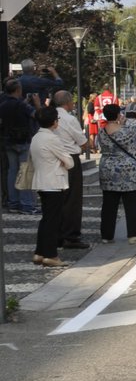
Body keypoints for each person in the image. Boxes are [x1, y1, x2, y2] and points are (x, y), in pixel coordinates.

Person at [28, 105, 78, 268]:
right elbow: (69, 162)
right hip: (54, 182)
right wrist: (63, 162)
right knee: (53, 221)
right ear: (53, 122)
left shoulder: (36, 137)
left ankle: (40, 252)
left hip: (42, 181)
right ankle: (50, 255)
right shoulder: (52, 138)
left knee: (46, 219)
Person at [97, 104, 136, 243]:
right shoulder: (130, 130)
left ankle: (106, 236)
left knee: (109, 204)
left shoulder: (101, 131)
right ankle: (132, 234)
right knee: (131, 203)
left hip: (107, 168)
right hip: (128, 170)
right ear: (118, 115)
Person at [52, 91, 90, 252]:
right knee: (72, 199)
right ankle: (71, 235)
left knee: (56, 198)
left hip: (52, 159)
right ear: (68, 103)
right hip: (69, 157)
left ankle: (57, 234)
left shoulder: (50, 117)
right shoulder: (69, 119)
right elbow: (82, 141)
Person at [2, 79, 39, 214]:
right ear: (18, 90)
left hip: (8, 140)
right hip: (22, 141)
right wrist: (37, 104)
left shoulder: (3, 104)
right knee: (25, 172)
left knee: (12, 171)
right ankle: (26, 204)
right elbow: (36, 115)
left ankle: (13, 202)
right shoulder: (22, 106)